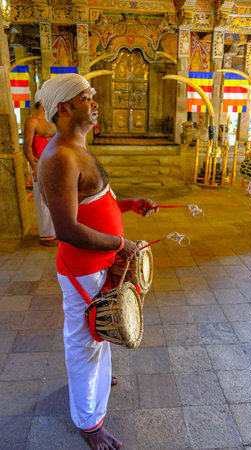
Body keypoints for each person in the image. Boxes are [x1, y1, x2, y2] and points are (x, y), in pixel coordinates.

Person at [38, 73, 157, 450]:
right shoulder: (58, 158)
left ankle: (97, 379)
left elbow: (91, 203)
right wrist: (120, 243)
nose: (95, 102)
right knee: (83, 341)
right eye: (87, 97)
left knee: (99, 331)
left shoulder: (79, 147)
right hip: (82, 269)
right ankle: (88, 422)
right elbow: (67, 229)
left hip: (100, 262)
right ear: (65, 107)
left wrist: (127, 205)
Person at [23, 90, 58, 246]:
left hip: (54, 165)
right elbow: (27, 148)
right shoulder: (33, 121)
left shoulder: (53, 119)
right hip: (39, 164)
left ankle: (54, 232)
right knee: (43, 201)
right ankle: (46, 236)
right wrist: (34, 167)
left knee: (55, 201)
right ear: (42, 102)